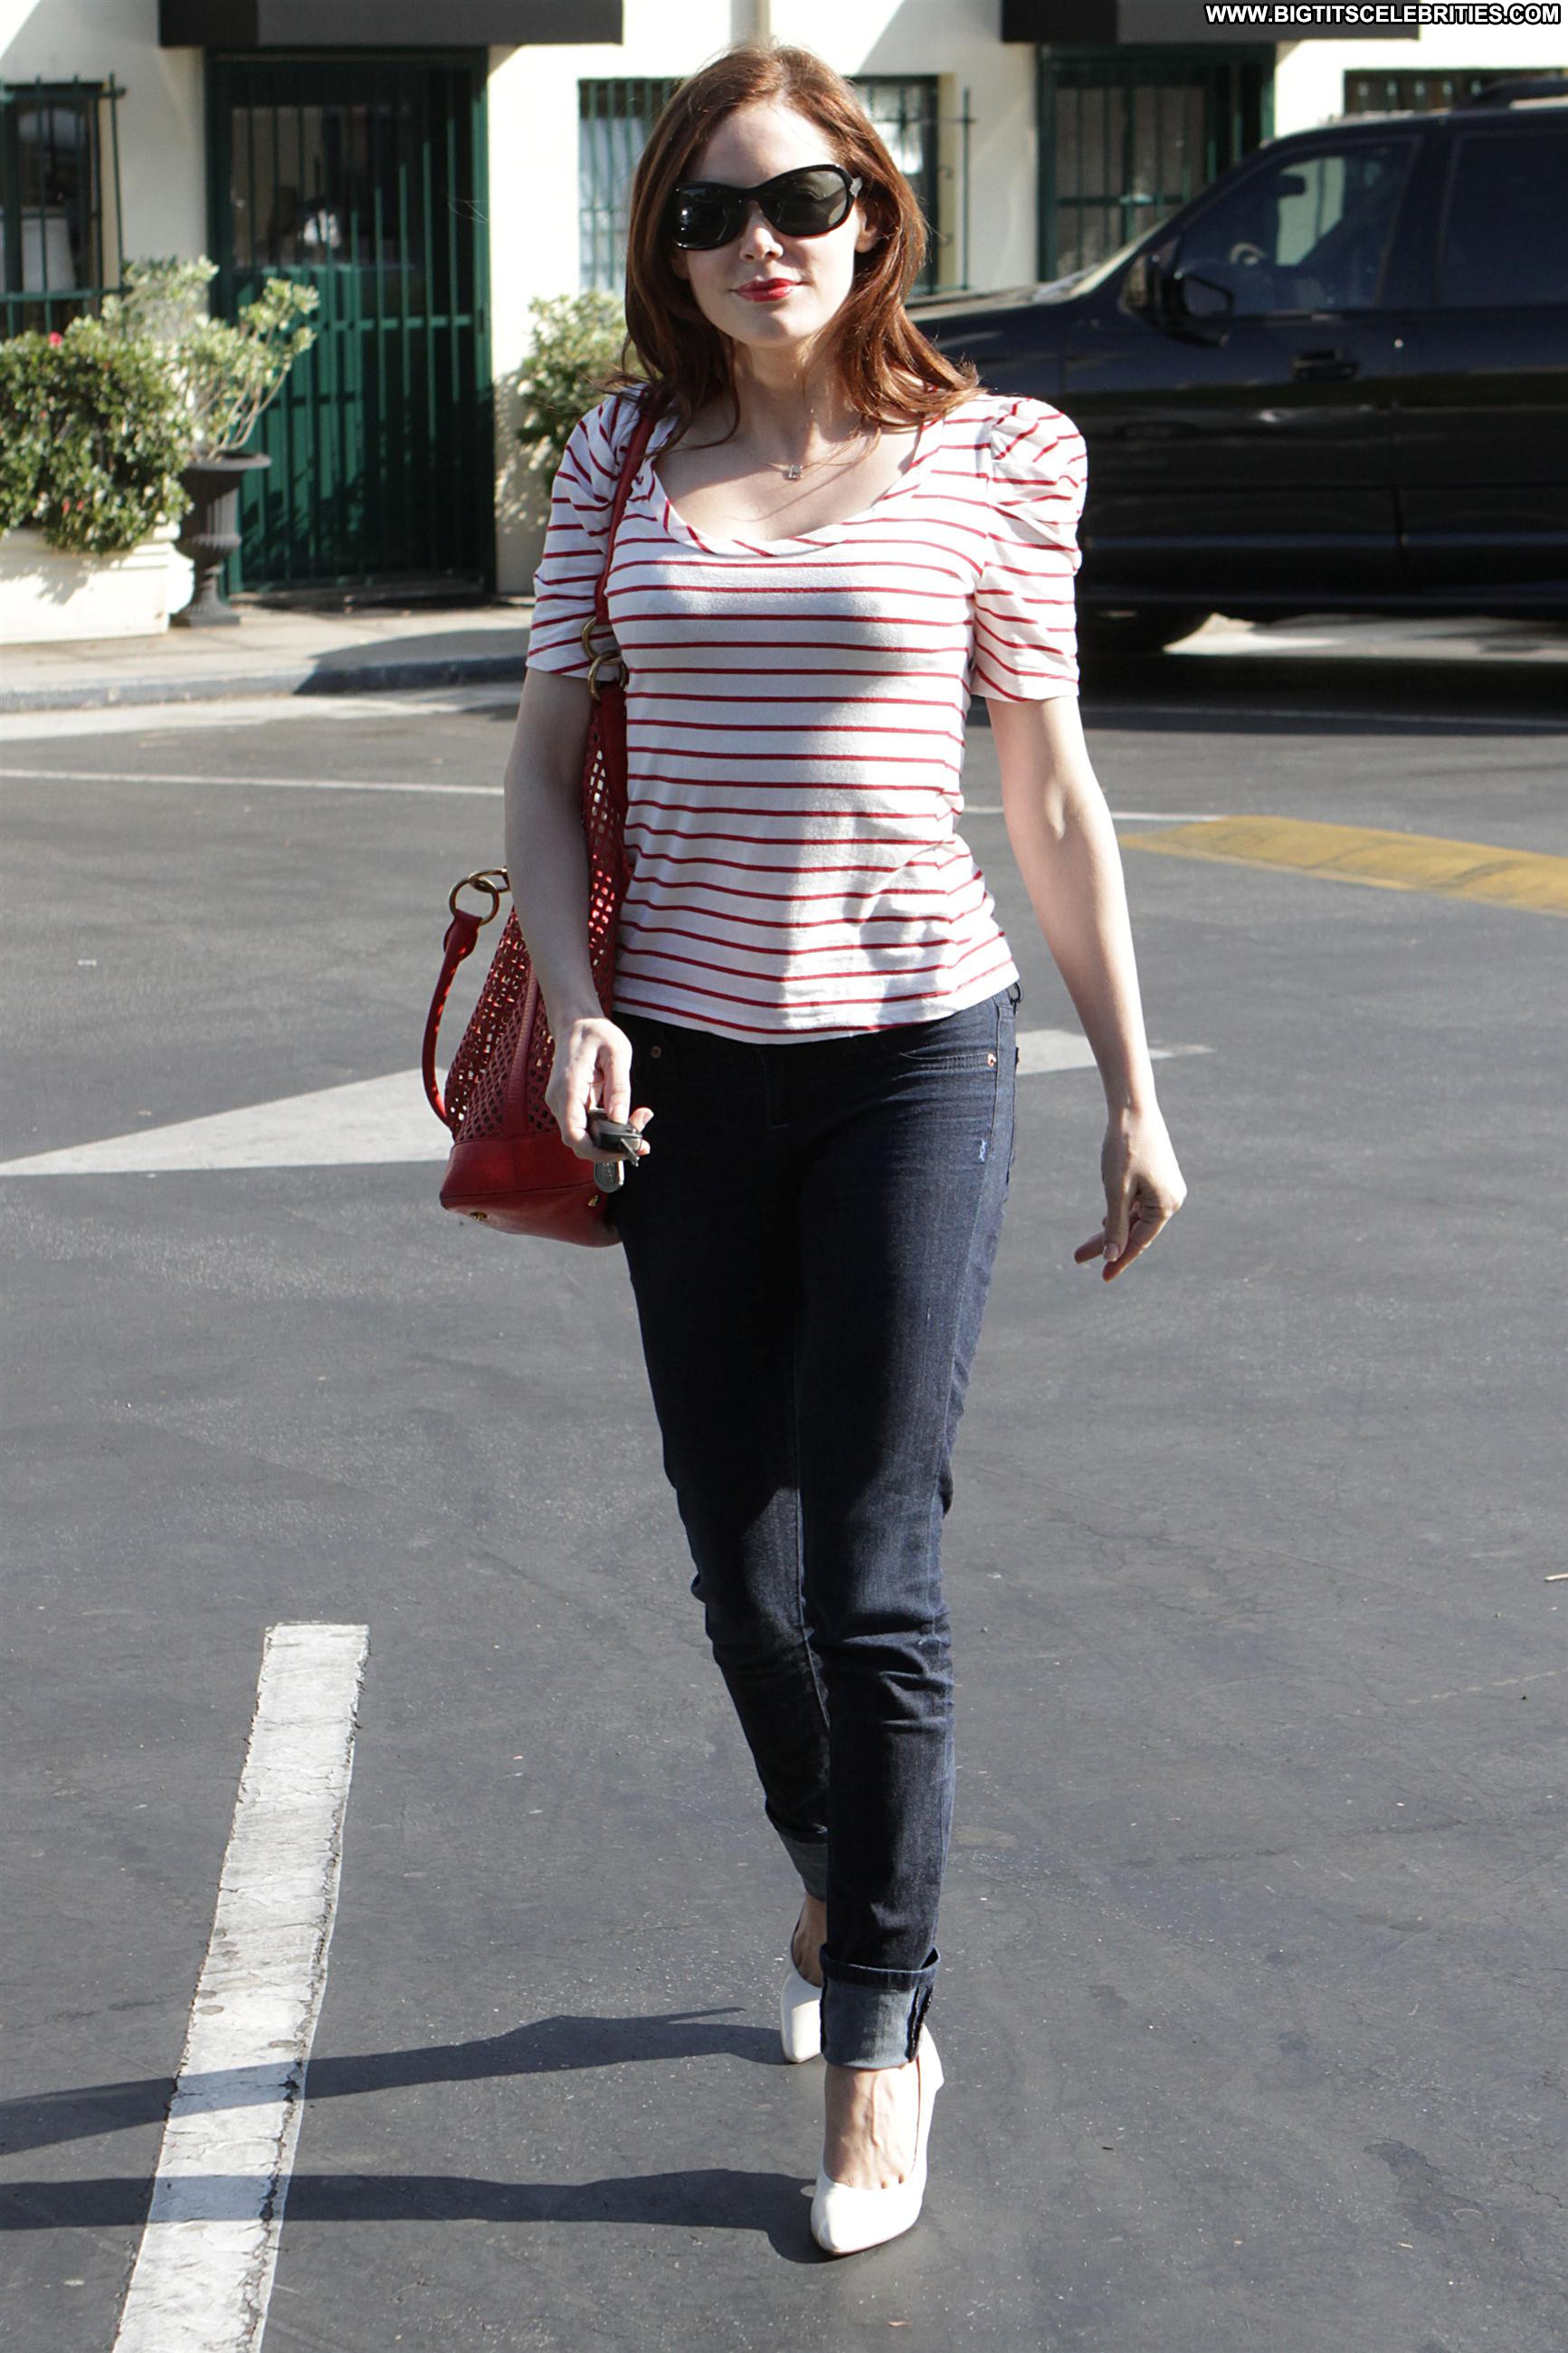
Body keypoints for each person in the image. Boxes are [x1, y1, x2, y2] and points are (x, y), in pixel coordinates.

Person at [504, 40, 1186, 2255]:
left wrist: (1133, 1085)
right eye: (710, 211)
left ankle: (882, 2038)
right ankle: (839, 1872)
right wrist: (580, 1001)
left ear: (874, 215)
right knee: (744, 1566)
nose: (761, 242)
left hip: (917, 1060)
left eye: (802, 199)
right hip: (683, 1072)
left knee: (879, 1572)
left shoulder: (1000, 453)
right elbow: (542, 763)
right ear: (667, 248)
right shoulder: (621, 455)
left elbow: (1049, 790)